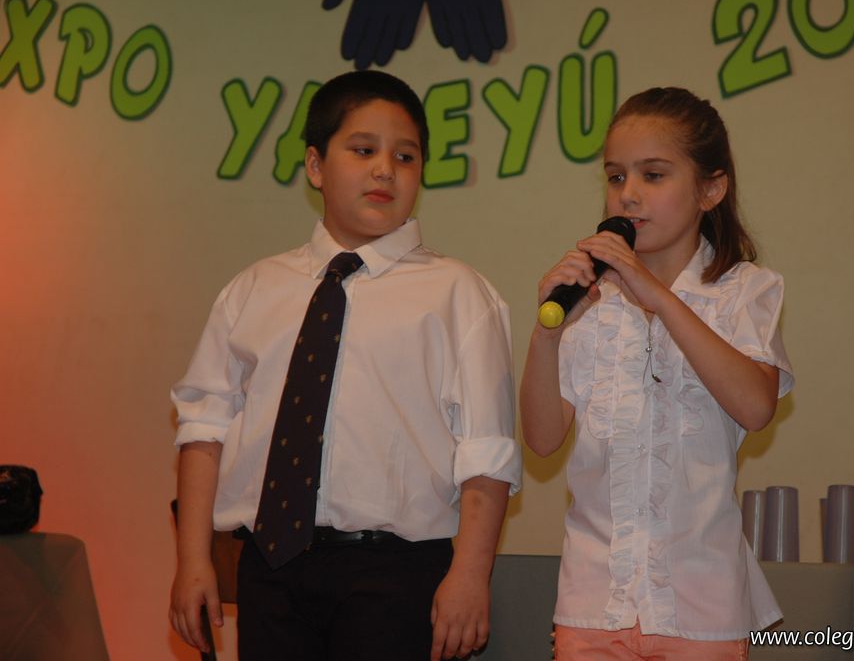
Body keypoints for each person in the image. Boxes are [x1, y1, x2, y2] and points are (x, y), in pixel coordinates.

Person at [169, 70, 521, 661]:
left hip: (397, 574)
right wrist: (193, 559)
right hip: (270, 567)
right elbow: (204, 427)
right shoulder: (254, 289)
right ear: (315, 165)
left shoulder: (458, 293)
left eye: (405, 156)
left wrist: (470, 574)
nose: (385, 169)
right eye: (363, 150)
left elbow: (486, 449)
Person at [520, 87, 794, 661]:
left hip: (702, 609)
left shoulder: (744, 290)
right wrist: (547, 333)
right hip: (593, 604)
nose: (629, 194)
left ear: (710, 189)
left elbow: (756, 406)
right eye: (616, 177)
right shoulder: (590, 301)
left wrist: (660, 298)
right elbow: (542, 440)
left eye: (653, 175)